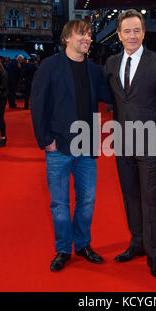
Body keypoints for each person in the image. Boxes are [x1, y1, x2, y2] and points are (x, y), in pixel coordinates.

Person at [30, 19, 111, 272]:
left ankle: (83, 244)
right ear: (67, 38)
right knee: (60, 203)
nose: (87, 38)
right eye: (81, 34)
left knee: (87, 200)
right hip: (59, 148)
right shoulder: (50, 66)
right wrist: (46, 140)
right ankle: (64, 249)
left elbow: (111, 96)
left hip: (86, 146)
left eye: (88, 34)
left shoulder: (94, 70)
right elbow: (37, 104)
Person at [104, 9, 156, 279]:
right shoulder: (110, 64)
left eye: (137, 30)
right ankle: (136, 243)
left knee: (149, 198)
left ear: (144, 33)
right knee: (129, 196)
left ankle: (154, 253)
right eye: (127, 31)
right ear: (119, 35)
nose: (132, 35)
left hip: (150, 142)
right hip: (122, 142)